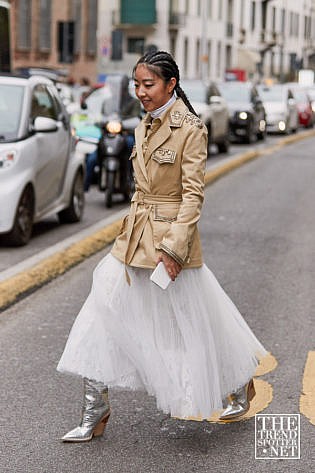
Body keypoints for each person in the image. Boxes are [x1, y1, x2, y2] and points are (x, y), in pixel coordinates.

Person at [57, 51, 268, 442]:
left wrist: (173, 249)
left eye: (148, 84)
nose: (141, 92)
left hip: (171, 243)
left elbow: (192, 196)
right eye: (136, 85)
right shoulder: (144, 124)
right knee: (100, 310)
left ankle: (239, 382)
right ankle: (95, 407)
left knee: (194, 320)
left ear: (171, 84)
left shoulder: (190, 128)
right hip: (133, 238)